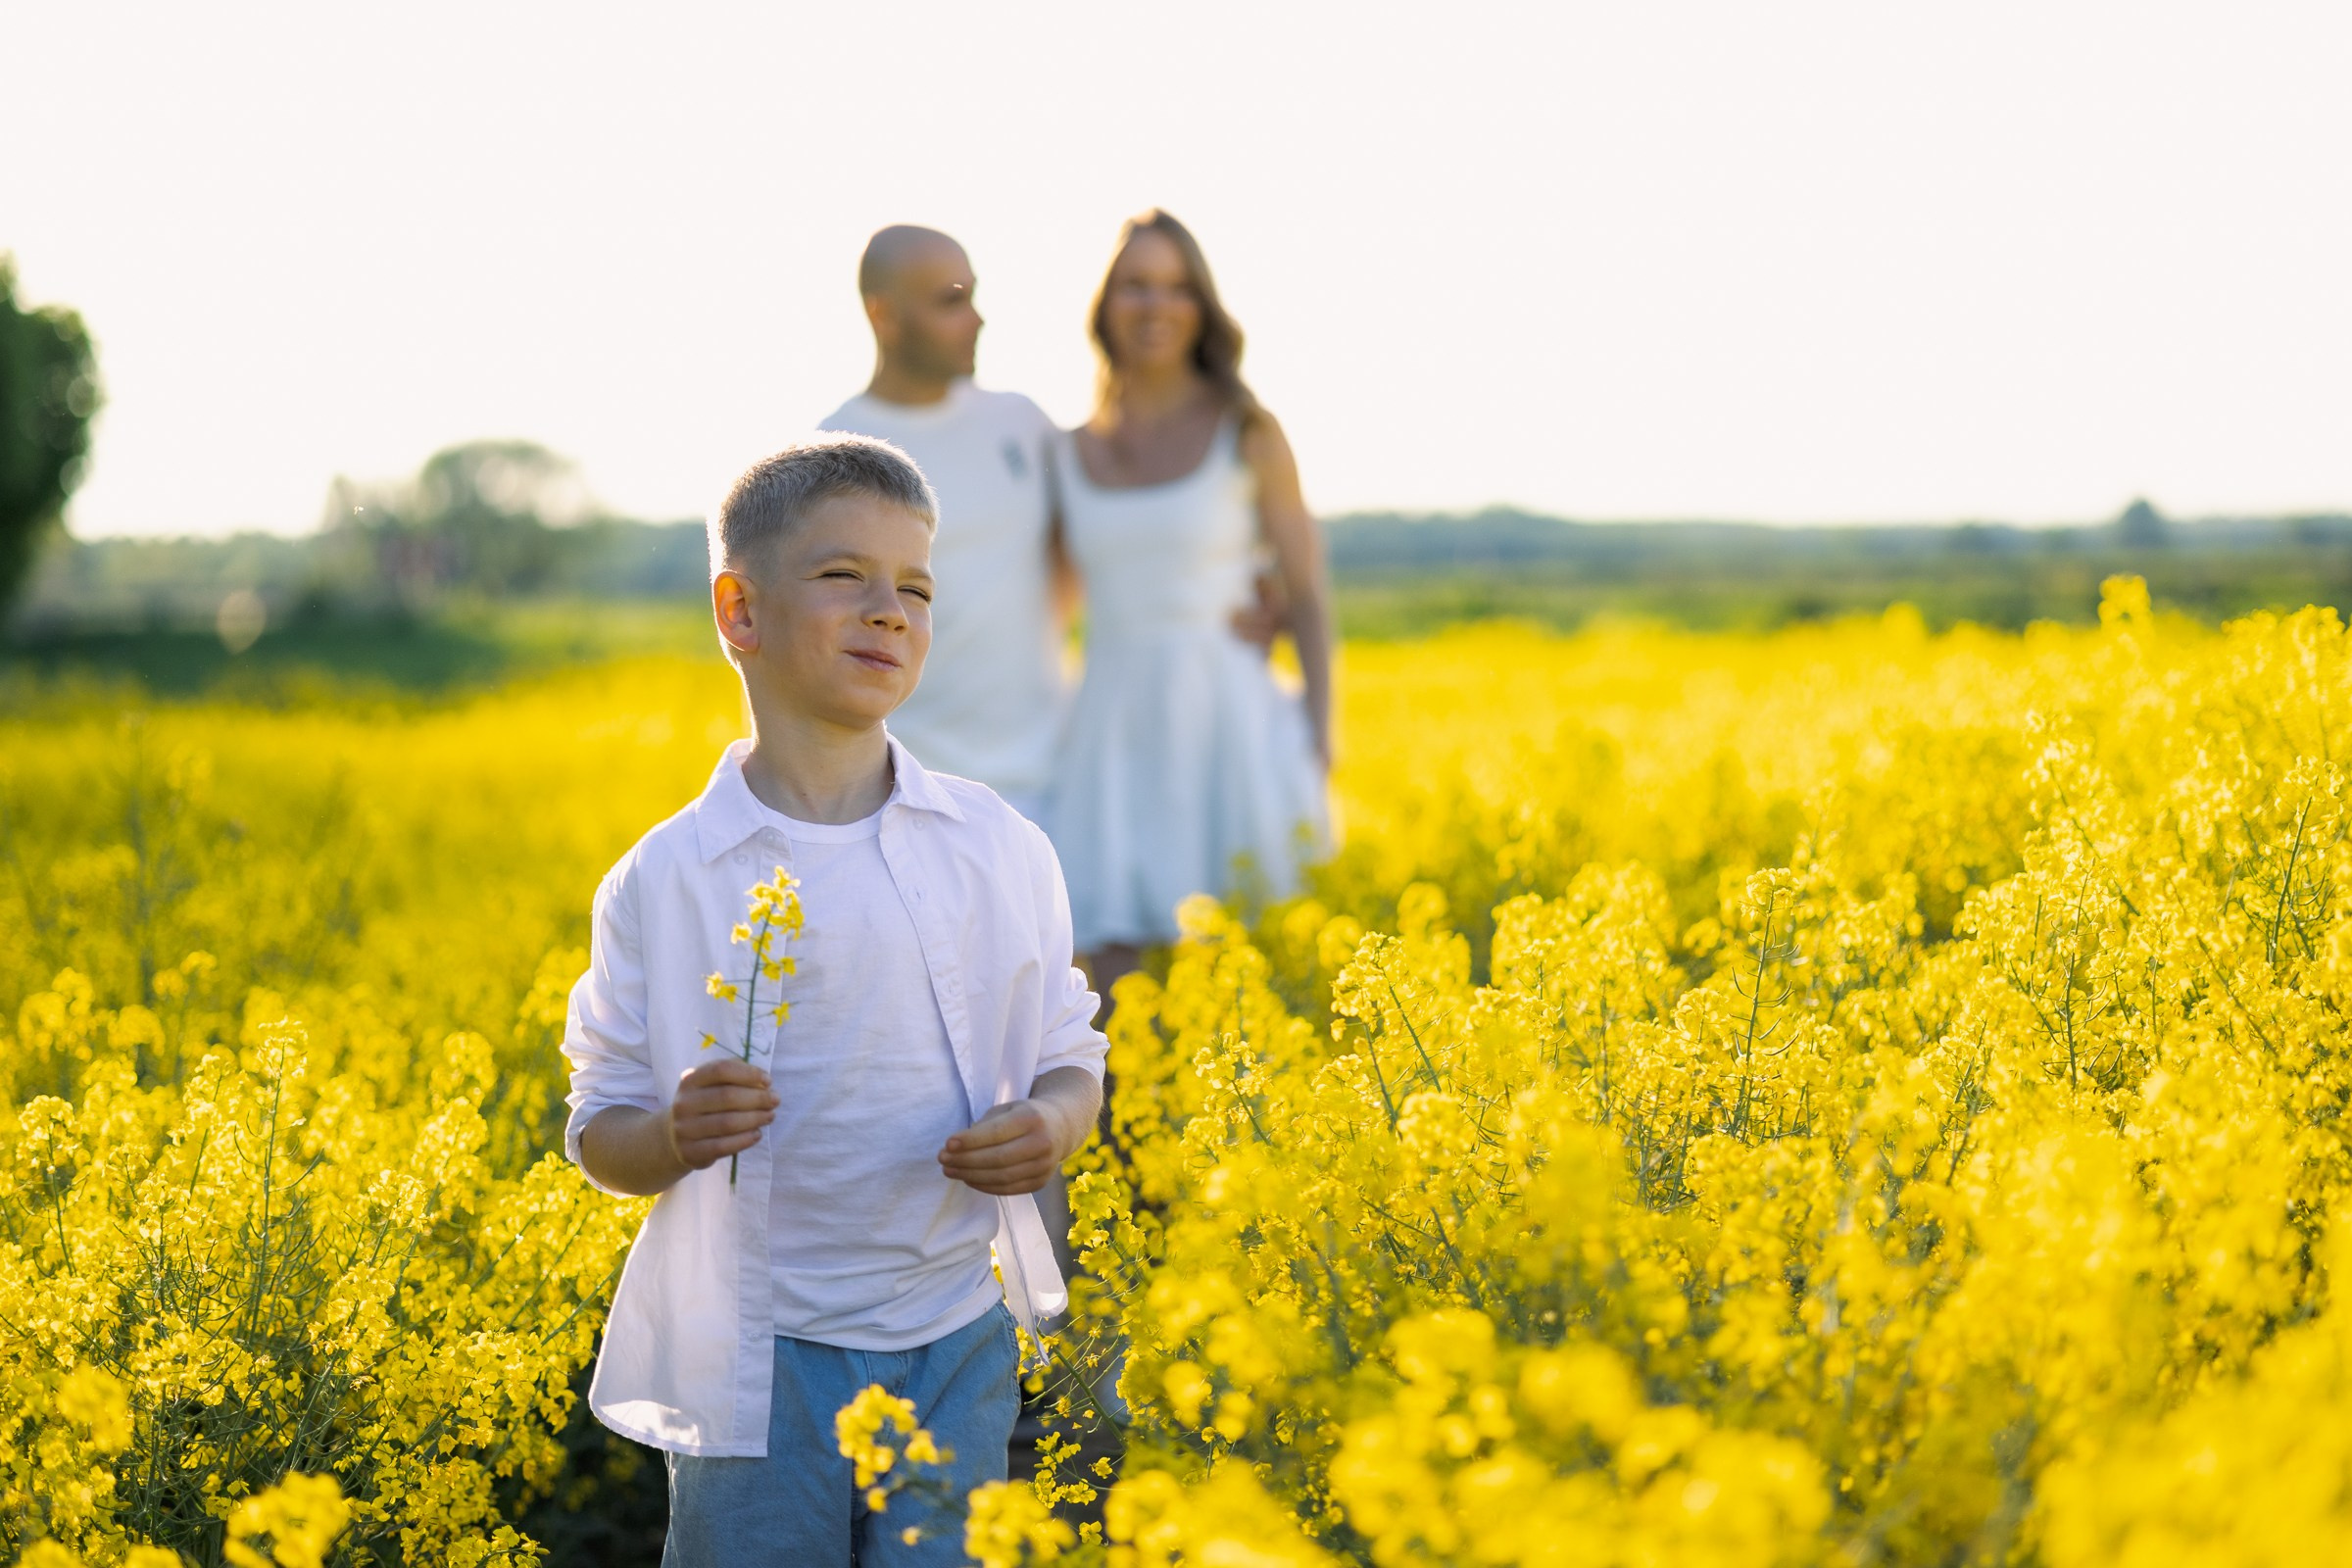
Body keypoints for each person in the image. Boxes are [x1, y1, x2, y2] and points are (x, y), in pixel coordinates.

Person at [561, 435, 1107, 1568]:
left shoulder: (999, 847)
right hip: (753, 1364)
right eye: (843, 576)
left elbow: (1071, 1053)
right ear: (739, 612)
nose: (889, 610)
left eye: (914, 587)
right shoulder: (666, 879)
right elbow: (597, 1125)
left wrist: (1051, 1124)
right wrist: (665, 1137)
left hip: (955, 1333)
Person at [1047, 211, 1334, 992]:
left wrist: (1320, 730)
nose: (1155, 305)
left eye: (1176, 287)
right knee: (1104, 982)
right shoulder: (1066, 452)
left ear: (1201, 306)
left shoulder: (1247, 430)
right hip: (1108, 728)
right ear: (1105, 304)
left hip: (1231, 724)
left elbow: (1306, 589)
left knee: (1244, 979)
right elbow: (1036, 599)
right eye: (1136, 285)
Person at [816, 226, 1065, 821]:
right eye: (951, 300)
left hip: (1051, 785)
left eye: (973, 297)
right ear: (885, 315)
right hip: (902, 795)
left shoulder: (1023, 425)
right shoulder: (830, 451)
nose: (977, 319)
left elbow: (1112, 542)